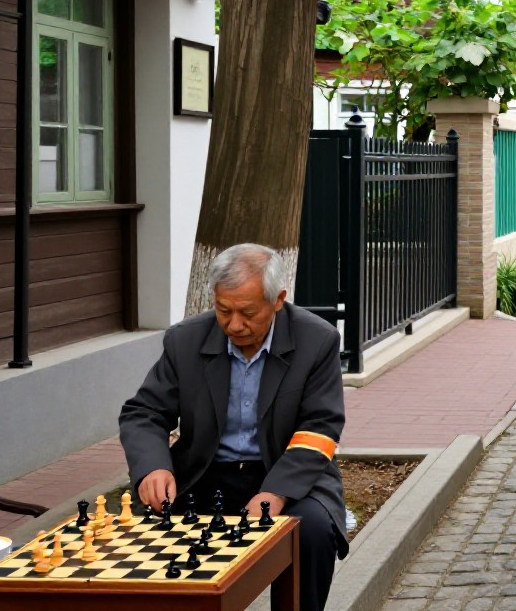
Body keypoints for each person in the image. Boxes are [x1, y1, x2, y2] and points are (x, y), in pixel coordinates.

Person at [120, 243, 347, 611]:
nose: (234, 325)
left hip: (286, 472)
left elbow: (321, 426)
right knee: (152, 536)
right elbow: (144, 413)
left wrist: (276, 491)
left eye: (247, 313)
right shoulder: (186, 340)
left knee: (312, 533)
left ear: (278, 300)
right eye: (224, 311)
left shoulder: (316, 340)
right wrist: (153, 467)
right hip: (204, 474)